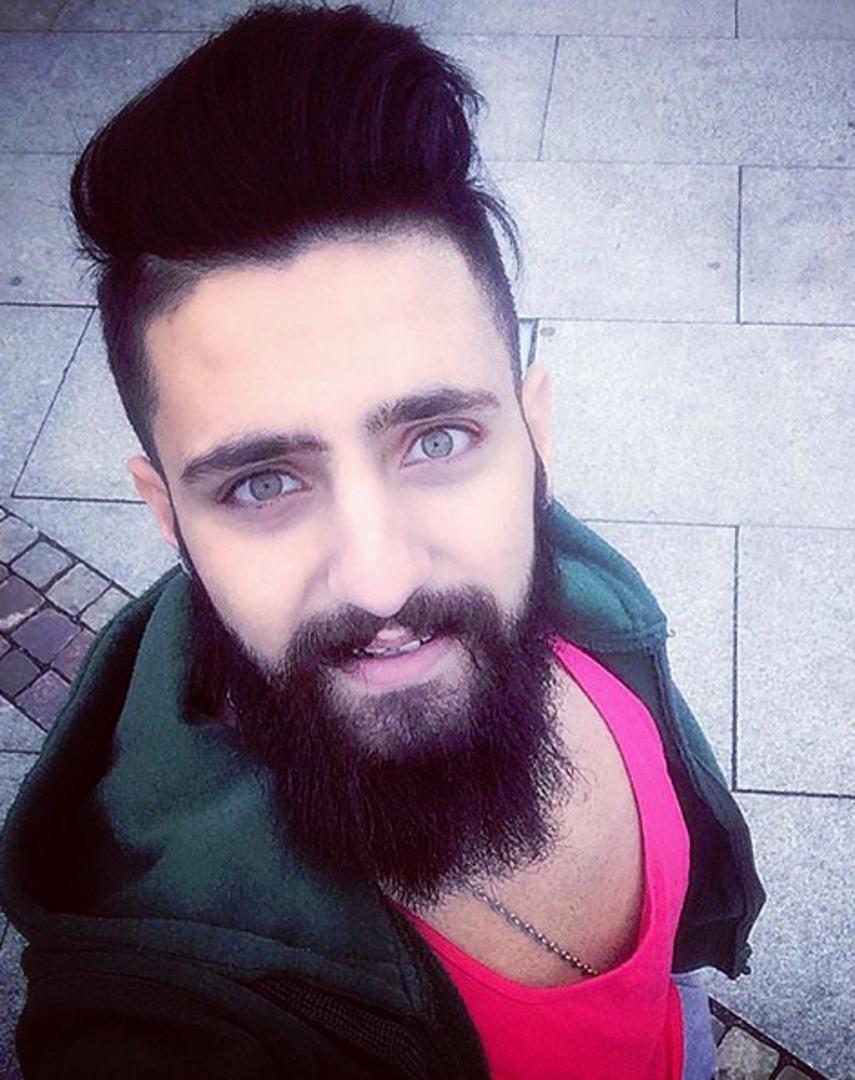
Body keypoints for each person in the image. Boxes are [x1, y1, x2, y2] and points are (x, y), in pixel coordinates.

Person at [0, 4, 764, 1077]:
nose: (381, 577)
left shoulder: (588, 592)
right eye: (263, 482)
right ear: (167, 515)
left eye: (436, 440)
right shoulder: (168, 1009)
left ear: (533, 438)